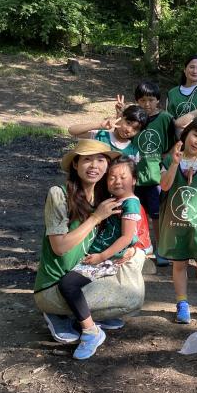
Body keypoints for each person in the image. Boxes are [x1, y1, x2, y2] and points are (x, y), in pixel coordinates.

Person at [34, 139, 146, 360]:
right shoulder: (59, 194)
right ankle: (77, 321)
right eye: (87, 159)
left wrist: (132, 247)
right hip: (55, 283)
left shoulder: (107, 197)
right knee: (76, 286)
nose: (94, 165)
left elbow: (131, 230)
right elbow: (59, 248)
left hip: (83, 268)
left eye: (100, 159)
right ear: (75, 164)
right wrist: (96, 218)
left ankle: (82, 313)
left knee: (135, 273)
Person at [159, 118, 197, 323]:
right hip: (177, 223)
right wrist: (175, 164)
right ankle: (182, 303)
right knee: (179, 264)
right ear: (186, 134)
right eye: (196, 134)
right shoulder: (170, 159)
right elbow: (165, 186)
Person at [129, 81, 177, 267]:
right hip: (134, 176)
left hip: (155, 176)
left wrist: (164, 161)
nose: (147, 104)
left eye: (151, 100)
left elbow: (174, 143)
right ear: (137, 101)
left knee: (157, 215)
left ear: (158, 100)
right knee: (134, 213)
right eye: (142, 100)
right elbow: (124, 136)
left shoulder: (165, 118)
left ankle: (161, 249)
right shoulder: (134, 117)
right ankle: (138, 246)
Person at [67, 105, 147, 158]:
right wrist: (99, 125)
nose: (129, 129)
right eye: (128, 123)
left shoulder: (133, 152)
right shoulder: (100, 136)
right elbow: (72, 131)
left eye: (135, 129)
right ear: (120, 117)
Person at [166, 54, 197, 119]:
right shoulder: (172, 93)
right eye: (191, 67)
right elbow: (169, 120)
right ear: (185, 70)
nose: (195, 71)